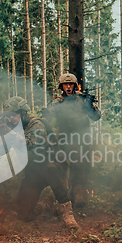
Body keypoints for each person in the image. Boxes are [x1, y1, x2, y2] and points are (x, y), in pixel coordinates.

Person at [0, 96, 79, 229]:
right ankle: (46, 204)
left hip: (53, 165)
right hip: (34, 172)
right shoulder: (13, 129)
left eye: (14, 115)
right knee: (23, 215)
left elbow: (31, 143)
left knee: (52, 170)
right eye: (9, 116)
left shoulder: (36, 123)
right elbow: (1, 151)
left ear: (23, 112)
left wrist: (10, 132)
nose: (11, 118)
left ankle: (68, 216)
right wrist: (3, 132)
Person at [43, 73, 101, 208]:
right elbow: (48, 116)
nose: (68, 87)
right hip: (66, 138)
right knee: (78, 159)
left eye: (70, 84)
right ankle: (77, 194)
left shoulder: (82, 99)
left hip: (84, 137)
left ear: (75, 86)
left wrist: (90, 106)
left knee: (87, 166)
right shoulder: (58, 102)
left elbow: (96, 117)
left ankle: (78, 193)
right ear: (61, 87)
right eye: (65, 85)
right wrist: (46, 114)